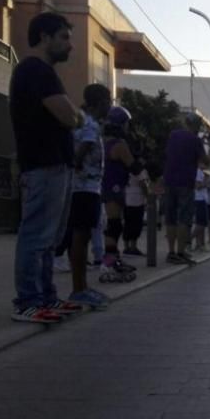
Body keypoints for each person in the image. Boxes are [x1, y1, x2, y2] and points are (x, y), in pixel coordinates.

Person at [10, 12, 85, 323]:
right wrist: (76, 116)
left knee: (50, 238)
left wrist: (74, 114)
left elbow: (70, 114)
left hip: (57, 165)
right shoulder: (35, 70)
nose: (70, 46)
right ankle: (27, 301)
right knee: (36, 235)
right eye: (64, 37)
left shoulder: (44, 73)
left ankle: (47, 297)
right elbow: (70, 117)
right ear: (44, 37)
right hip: (43, 165)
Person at [63, 84, 112, 308]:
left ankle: (82, 286)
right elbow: (79, 153)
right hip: (85, 189)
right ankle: (78, 288)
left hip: (84, 188)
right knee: (81, 238)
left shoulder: (82, 121)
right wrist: (78, 166)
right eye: (109, 101)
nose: (110, 105)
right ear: (101, 102)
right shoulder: (90, 125)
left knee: (82, 237)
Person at [99, 106, 141, 281]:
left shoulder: (105, 142)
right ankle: (108, 263)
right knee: (114, 225)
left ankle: (113, 259)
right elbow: (134, 167)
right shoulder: (119, 145)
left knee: (115, 224)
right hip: (114, 186)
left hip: (109, 185)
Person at [163, 114, 207, 264]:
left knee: (170, 217)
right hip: (185, 182)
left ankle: (171, 252)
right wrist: (209, 145)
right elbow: (205, 161)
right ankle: (180, 252)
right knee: (184, 218)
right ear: (196, 126)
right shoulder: (196, 140)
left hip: (169, 180)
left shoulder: (173, 135)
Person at [123, 162, 150, 256]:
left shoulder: (126, 168)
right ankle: (133, 247)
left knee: (127, 223)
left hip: (126, 199)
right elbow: (143, 184)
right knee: (136, 224)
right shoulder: (140, 170)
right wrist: (148, 196)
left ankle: (126, 247)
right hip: (137, 200)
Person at [191, 166, 210, 252]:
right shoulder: (198, 172)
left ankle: (199, 244)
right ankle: (187, 241)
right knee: (202, 223)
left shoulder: (202, 172)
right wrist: (206, 180)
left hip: (203, 199)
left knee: (200, 223)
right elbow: (197, 186)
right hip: (199, 199)